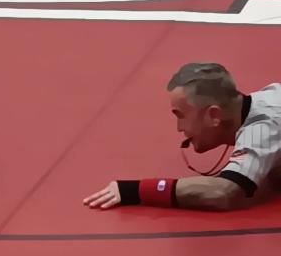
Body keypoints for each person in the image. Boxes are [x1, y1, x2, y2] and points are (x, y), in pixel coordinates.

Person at [83, 63, 280, 211]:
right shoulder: (268, 97)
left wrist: (135, 190)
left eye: (181, 116)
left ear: (214, 115)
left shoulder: (261, 129)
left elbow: (225, 192)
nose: (179, 128)